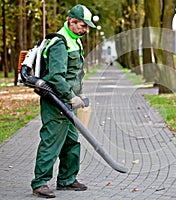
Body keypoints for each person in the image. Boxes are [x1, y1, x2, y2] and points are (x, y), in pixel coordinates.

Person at [31, 4, 96, 198]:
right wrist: (71, 96)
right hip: (56, 102)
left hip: (69, 102)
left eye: (86, 27)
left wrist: (79, 94)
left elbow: (74, 74)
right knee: (51, 141)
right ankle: (40, 182)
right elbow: (56, 77)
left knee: (70, 141)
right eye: (82, 26)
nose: (84, 30)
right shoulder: (60, 43)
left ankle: (67, 179)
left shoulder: (75, 40)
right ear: (71, 21)